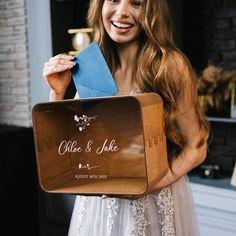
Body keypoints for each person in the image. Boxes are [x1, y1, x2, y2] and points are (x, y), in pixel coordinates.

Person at [43, 0, 210, 235]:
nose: (122, 12)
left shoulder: (168, 66)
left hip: (152, 204)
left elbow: (197, 146)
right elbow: (69, 151)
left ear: (152, 11)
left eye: (137, 3)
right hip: (98, 209)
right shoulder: (91, 65)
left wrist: (148, 187)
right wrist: (57, 92)